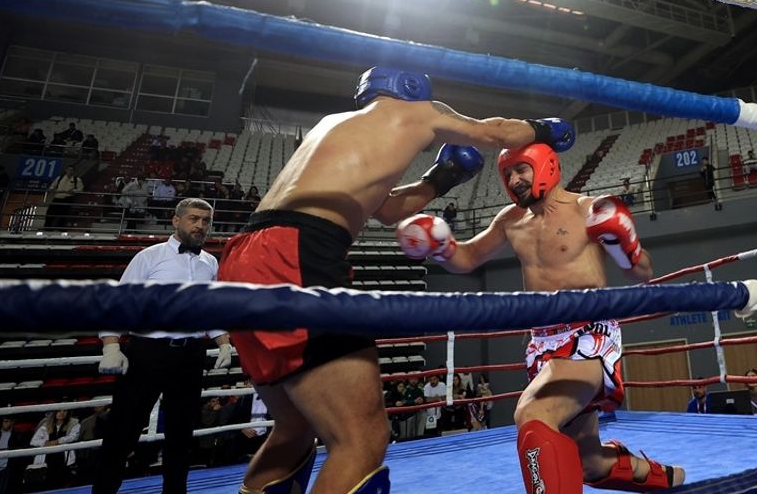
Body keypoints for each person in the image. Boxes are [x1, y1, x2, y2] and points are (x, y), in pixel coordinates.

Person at [218, 67, 574, 494]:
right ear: (412, 89)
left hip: (245, 254)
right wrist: (543, 130)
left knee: (294, 426)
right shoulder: (419, 112)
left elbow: (384, 211)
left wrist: (440, 179)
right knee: (360, 440)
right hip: (297, 253)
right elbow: (494, 133)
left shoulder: (332, 126)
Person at [397, 140, 684, 492]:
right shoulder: (511, 220)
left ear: (545, 164)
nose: (514, 179)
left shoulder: (588, 209)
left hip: (587, 336)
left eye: (521, 169)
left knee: (533, 415)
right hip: (542, 343)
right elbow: (468, 258)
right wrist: (439, 247)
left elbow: (642, 273)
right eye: (507, 173)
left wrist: (627, 245)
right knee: (588, 463)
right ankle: (669, 478)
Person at [93, 198, 233, 494]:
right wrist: (111, 345)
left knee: (181, 435)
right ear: (176, 221)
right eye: (194, 219)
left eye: (206, 221)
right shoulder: (149, 256)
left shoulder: (210, 262)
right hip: (147, 352)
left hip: (190, 355)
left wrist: (223, 343)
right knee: (124, 431)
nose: (200, 226)